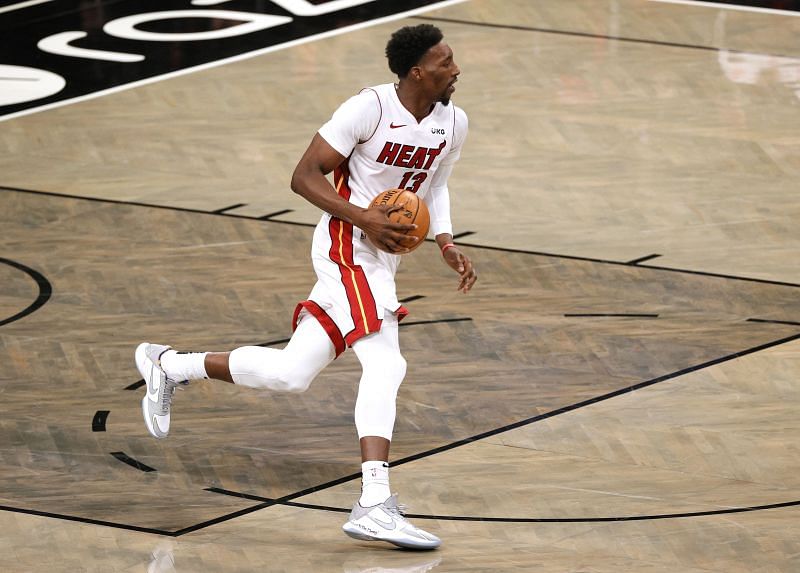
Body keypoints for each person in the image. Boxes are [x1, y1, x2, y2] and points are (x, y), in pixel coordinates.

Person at [136, 23, 476, 550]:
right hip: (345, 247)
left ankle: (169, 365)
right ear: (417, 71)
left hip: (381, 262)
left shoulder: (453, 122)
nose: (456, 70)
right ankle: (374, 502)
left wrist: (446, 241)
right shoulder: (369, 109)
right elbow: (304, 176)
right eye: (446, 62)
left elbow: (437, 185)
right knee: (388, 364)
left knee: (291, 375)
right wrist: (363, 215)